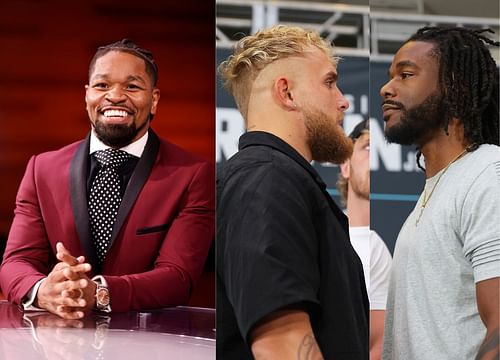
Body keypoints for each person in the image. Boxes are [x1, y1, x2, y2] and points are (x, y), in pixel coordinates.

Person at [0, 39, 214, 320]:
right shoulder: (42, 168)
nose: (115, 96)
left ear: (154, 100)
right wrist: (43, 290)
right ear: (86, 95)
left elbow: (178, 277)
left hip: (149, 342)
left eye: (132, 86)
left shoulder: (193, 174)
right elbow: (16, 262)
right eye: (102, 86)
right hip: (57, 342)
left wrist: (99, 292)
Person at [217, 25, 369, 359]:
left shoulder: (280, 179)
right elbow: (281, 345)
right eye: (329, 82)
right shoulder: (267, 180)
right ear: (287, 93)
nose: (343, 100)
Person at [380, 26, 499, 359]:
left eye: (406, 74)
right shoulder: (438, 190)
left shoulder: (488, 173)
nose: (386, 89)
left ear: (454, 85)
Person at [336, 119, 392, 360]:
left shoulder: (376, 248)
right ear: (345, 165)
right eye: (368, 147)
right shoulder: (320, 230)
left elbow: (376, 347)